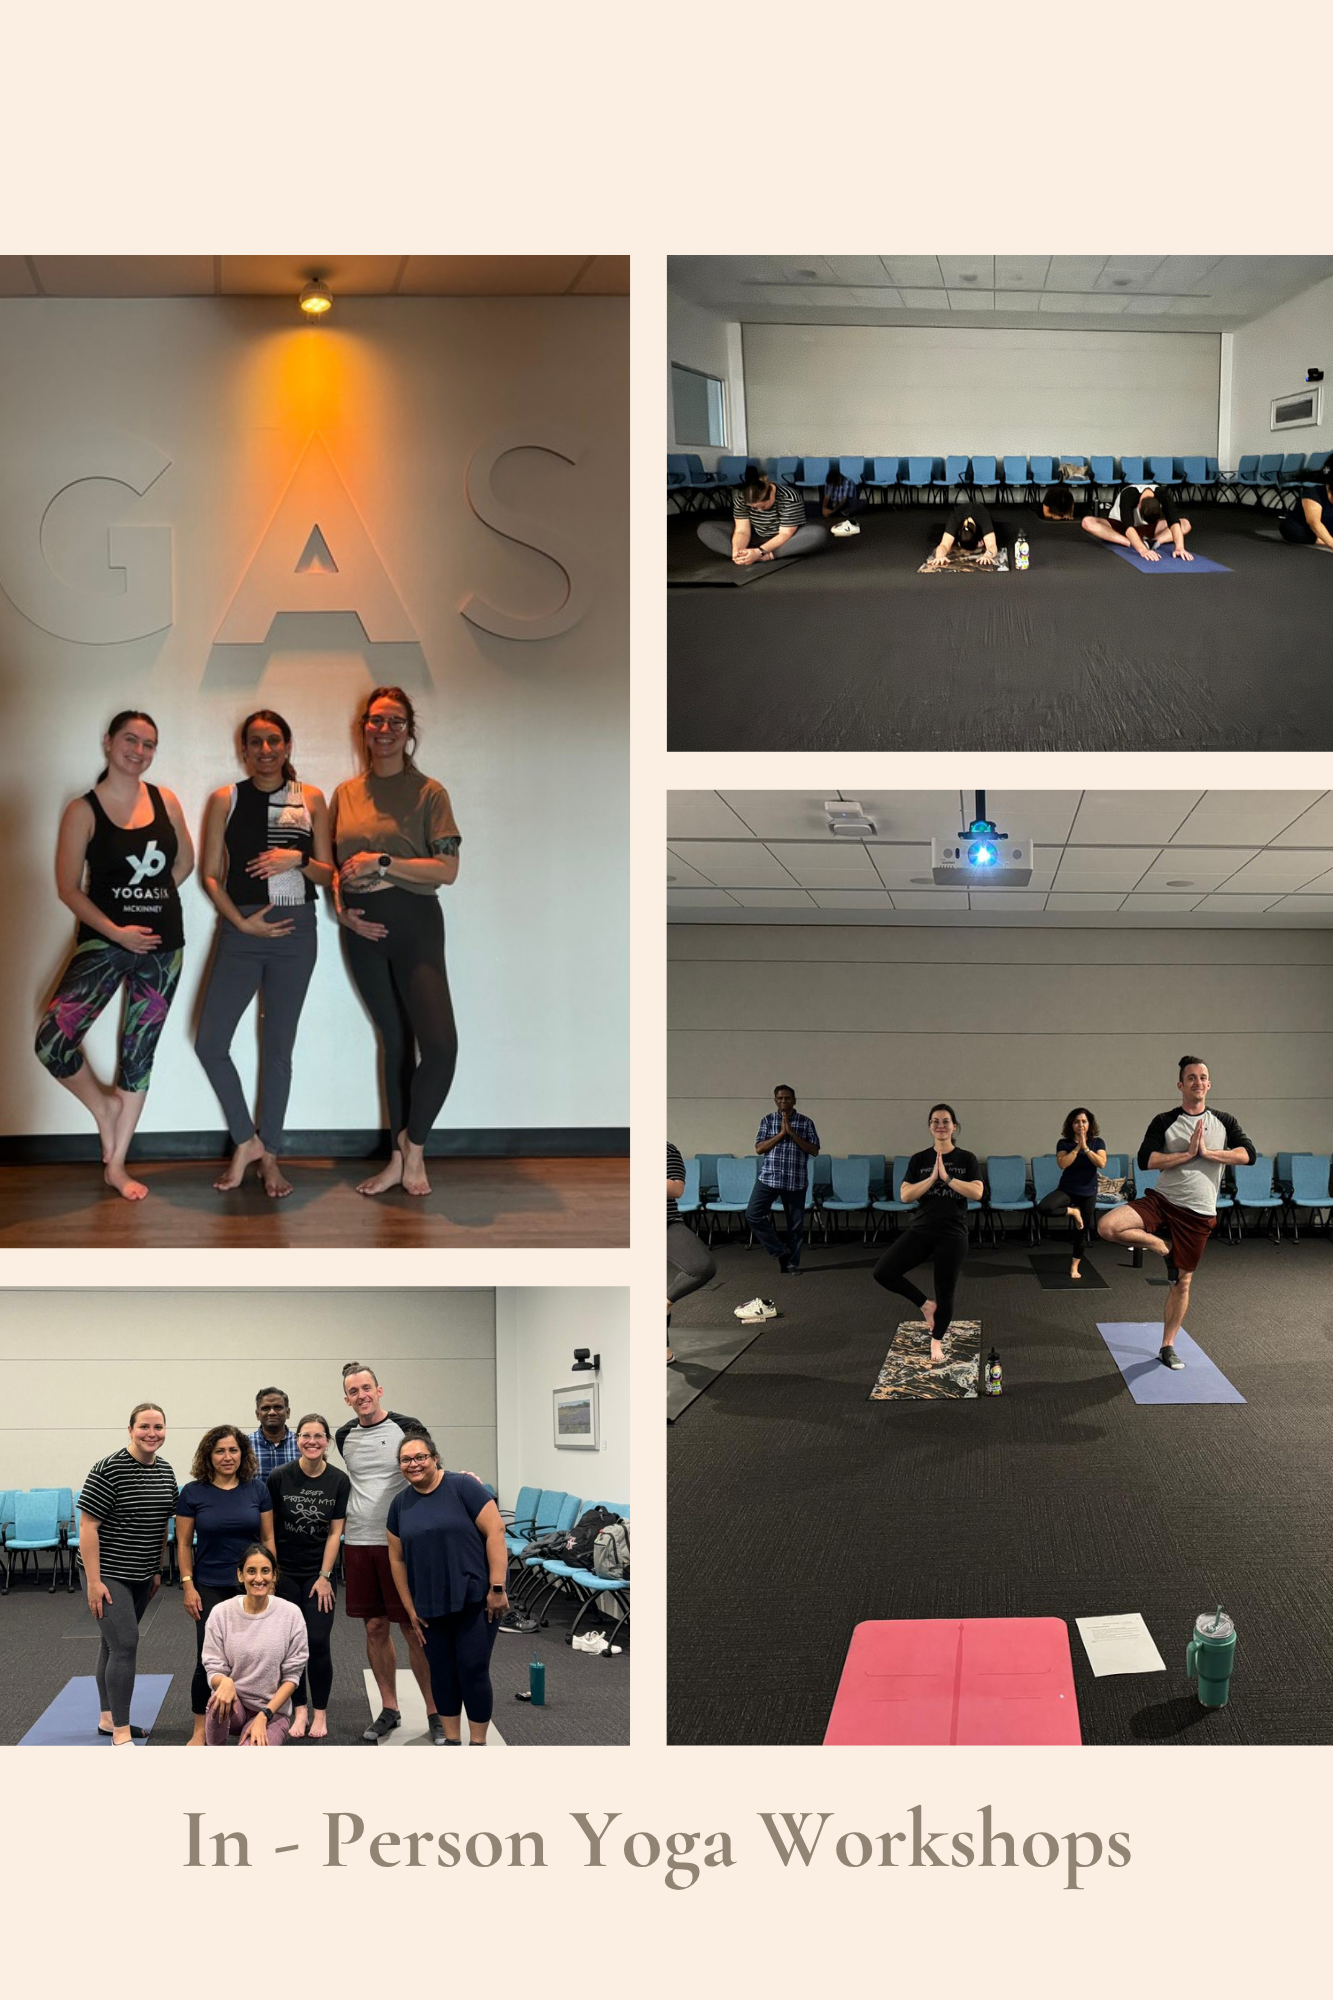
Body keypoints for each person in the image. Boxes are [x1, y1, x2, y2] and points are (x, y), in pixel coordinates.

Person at [35, 710, 194, 1201]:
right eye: (130, 739)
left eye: (149, 744)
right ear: (108, 742)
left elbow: (183, 862)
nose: (139, 751)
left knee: (138, 1055)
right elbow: (67, 888)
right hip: (104, 942)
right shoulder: (83, 810)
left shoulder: (166, 800)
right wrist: (117, 931)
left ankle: (118, 1164)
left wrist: (153, 903)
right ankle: (104, 1109)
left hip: (163, 948)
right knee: (52, 1041)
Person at [195, 709, 334, 1198]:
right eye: (255, 742)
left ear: (288, 746)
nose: (265, 749)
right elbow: (210, 874)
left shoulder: (310, 798)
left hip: (296, 930)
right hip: (242, 929)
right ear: (244, 750)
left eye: (274, 740)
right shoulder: (226, 799)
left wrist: (297, 858)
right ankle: (246, 1141)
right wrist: (240, 923)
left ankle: (270, 1154)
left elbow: (327, 874)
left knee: (278, 1048)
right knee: (211, 1043)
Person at [330, 686, 461, 1199]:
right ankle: (395, 1160)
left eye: (395, 722)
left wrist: (382, 862)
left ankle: (414, 1145)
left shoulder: (429, 793)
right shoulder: (345, 794)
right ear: (364, 727)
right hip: (361, 933)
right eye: (376, 721)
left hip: (415, 928)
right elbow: (335, 867)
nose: (384, 730)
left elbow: (447, 869)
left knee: (441, 1047)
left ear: (409, 731)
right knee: (394, 1043)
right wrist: (341, 911)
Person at [1099, 1056, 1255, 1369]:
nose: (1198, 1082)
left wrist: (1208, 1153)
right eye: (1191, 1077)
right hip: (1163, 1200)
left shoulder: (1224, 1121)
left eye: (1203, 1077)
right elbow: (1146, 1159)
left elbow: (1248, 1154)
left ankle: (1167, 1345)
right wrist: (1187, 1154)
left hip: (1198, 1213)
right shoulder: (1164, 1120)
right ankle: (1162, 1248)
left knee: (1182, 1283)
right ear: (1180, 1085)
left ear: (1209, 1084)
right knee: (1108, 1226)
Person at [334, 1362, 444, 1742]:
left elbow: (432, 1470)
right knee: (375, 1627)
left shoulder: (406, 1426)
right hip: (359, 1542)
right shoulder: (344, 1435)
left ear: (379, 1391)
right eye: (353, 1391)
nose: (361, 1395)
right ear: (347, 1399)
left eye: (367, 1388)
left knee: (414, 1629)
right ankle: (390, 1708)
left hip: (401, 1542)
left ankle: (435, 1711)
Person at [386, 1432, 509, 1746]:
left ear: (435, 1458)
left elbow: (495, 1531)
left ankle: (478, 1743)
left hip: (474, 1599)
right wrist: (410, 1608)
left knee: (473, 1669)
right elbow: (396, 1559)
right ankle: (452, 1741)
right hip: (428, 1604)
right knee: (441, 1672)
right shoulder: (399, 1505)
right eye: (406, 1459)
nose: (414, 1464)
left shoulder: (463, 1487)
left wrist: (497, 1587)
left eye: (420, 1457)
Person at [78, 1402, 177, 1745]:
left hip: (142, 1574)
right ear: (130, 1430)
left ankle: (108, 1719)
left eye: (158, 1427)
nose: (152, 1433)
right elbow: (87, 1527)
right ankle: (121, 1730)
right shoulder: (109, 1469)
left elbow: (162, 1525)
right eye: (144, 1427)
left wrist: (157, 1569)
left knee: (112, 1643)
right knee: (126, 1644)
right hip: (108, 1573)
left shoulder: (166, 1471)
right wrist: (94, 1582)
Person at [176, 1425, 275, 1746]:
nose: (227, 1457)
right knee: (207, 1659)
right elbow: (183, 1544)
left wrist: (270, 1580)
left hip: (252, 1586)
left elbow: (268, 1538)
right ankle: (199, 1729)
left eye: (233, 1450)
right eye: (220, 1451)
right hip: (209, 1585)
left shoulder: (257, 1489)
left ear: (243, 1454)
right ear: (209, 1456)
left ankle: (255, 1717)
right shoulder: (193, 1493)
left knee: (256, 1655)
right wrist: (188, 1585)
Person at [872, 1104, 984, 1365]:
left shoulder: (966, 1158)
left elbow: (977, 1192)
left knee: (945, 1291)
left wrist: (947, 1178)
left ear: (954, 1126)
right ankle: (925, 1305)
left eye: (945, 1121)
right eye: (935, 1121)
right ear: (930, 1126)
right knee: (883, 1272)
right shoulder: (919, 1159)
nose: (940, 1126)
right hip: (922, 1230)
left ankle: (936, 1340)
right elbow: (905, 1195)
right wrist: (932, 1178)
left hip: (953, 1234)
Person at [267, 1413, 350, 1743]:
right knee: (290, 1645)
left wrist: (325, 1575)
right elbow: (269, 1529)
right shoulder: (279, 1477)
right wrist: (272, 1573)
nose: (312, 1441)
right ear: (297, 1439)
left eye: (318, 1436)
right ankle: (299, 1708)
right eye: (305, 1435)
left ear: (327, 1441)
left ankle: (320, 1711)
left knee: (317, 1642)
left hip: (319, 1575)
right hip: (285, 1574)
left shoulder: (338, 1480)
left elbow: (334, 1533)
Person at [201, 1544, 308, 1746]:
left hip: (272, 1711)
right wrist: (225, 1682)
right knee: (216, 1702)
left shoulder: (291, 1615)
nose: (259, 1578)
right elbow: (213, 1667)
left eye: (265, 1571)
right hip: (235, 1704)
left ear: (274, 1575)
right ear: (240, 1575)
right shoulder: (221, 1613)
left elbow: (292, 1678)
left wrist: (264, 1715)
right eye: (251, 1571)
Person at [745, 1085, 820, 1276]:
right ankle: (780, 1252)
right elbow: (759, 1149)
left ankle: (792, 1264)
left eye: (787, 1098)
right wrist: (781, 1134)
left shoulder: (806, 1122)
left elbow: (814, 1150)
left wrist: (792, 1133)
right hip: (769, 1178)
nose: (783, 1101)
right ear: (775, 1100)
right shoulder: (767, 1120)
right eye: (779, 1098)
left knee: (794, 1226)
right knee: (753, 1214)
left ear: (794, 1100)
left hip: (795, 1180)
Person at [695, 469, 830, 565]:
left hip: (785, 539)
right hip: (755, 535)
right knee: (706, 529)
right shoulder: (741, 498)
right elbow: (742, 530)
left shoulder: (789, 497)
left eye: (762, 506)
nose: (758, 510)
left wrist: (760, 552)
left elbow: (785, 533)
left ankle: (768, 556)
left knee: (817, 533)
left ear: (770, 494)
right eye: (754, 508)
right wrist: (738, 550)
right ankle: (743, 556)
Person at [1038, 1108, 1108, 1281]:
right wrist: (1078, 1147)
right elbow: (1063, 1164)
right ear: (1071, 1124)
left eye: (1084, 1121)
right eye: (1077, 1121)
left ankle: (1074, 1265)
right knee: (1044, 1207)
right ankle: (1073, 1211)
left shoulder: (1098, 1142)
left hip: (1088, 1193)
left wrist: (1086, 1148)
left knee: (1081, 1232)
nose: (1080, 1125)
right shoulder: (1064, 1143)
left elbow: (1101, 1163)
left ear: (1089, 1124)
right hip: (1067, 1190)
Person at [667, 1139, 716, 1363]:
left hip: (665, 1223)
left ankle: (663, 1304)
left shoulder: (665, 1149)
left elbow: (676, 1188)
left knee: (701, 1267)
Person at [1081, 481, 1193, 560]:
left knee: (1185, 524)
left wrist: (1180, 548)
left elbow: (1174, 523)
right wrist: (1143, 550)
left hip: (1148, 528)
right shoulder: (1128, 494)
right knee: (1087, 522)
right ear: (1138, 505)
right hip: (1121, 525)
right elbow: (1128, 528)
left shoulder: (1163, 494)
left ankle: (1154, 542)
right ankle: (1129, 542)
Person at [925, 499, 1011, 568]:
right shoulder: (955, 519)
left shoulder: (983, 517)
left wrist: (988, 555)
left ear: (980, 541)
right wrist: (940, 556)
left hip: (979, 511)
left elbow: (992, 545)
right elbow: (944, 545)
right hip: (961, 512)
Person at [248, 1387, 300, 1477]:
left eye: (278, 1407)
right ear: (257, 1414)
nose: (272, 1412)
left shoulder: (301, 1443)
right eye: (266, 1408)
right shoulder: (245, 1445)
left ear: (288, 1412)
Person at [1279, 462, 1333, 548]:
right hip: (1303, 526)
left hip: (1327, 525)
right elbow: (1314, 523)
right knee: (1290, 529)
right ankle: (1319, 539)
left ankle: (1323, 537)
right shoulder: (1313, 493)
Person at [820, 470, 862, 537]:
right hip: (835, 502)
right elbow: (826, 497)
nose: (834, 485)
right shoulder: (830, 482)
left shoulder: (848, 482)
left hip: (847, 503)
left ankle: (839, 513)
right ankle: (838, 513)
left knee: (855, 505)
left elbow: (843, 499)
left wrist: (833, 511)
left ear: (839, 478)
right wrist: (824, 508)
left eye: (835, 483)